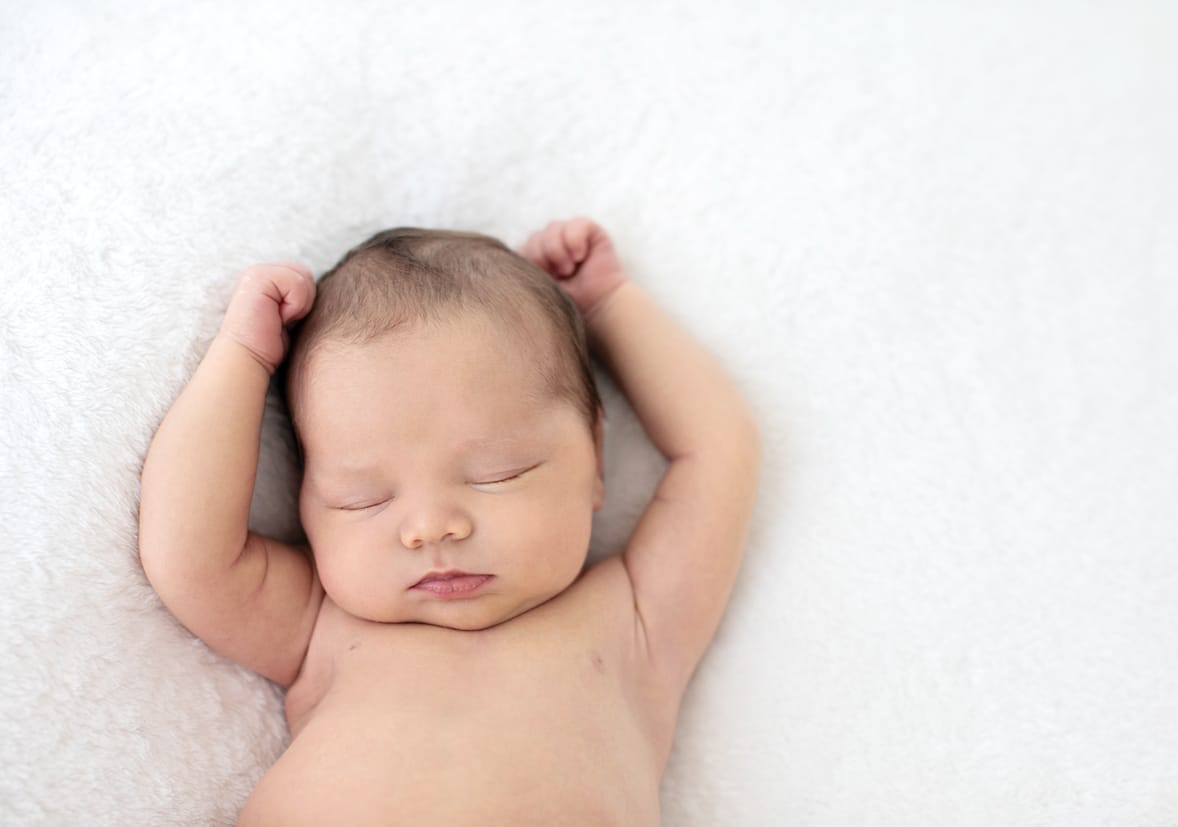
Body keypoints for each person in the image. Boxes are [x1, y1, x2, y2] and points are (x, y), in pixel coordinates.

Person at [137, 216, 761, 825]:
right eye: (364, 498)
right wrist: (242, 355)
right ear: (305, 500)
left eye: (499, 473)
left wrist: (608, 307)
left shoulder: (639, 619)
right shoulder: (318, 627)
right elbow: (189, 557)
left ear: (594, 461)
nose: (432, 528)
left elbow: (717, 450)